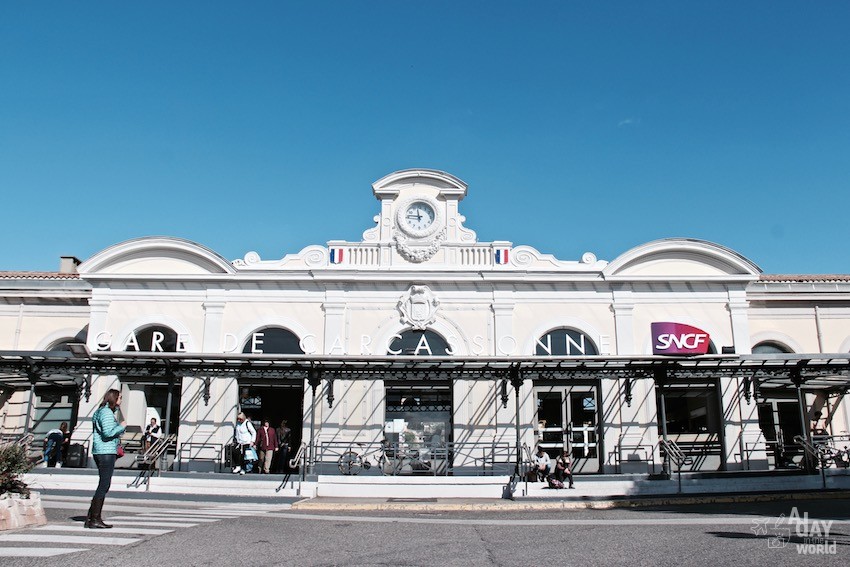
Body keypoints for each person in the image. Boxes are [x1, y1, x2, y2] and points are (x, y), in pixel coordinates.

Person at [86, 388, 126, 529]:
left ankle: (91, 517)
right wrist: (121, 427)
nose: (121, 400)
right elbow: (108, 433)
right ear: (113, 398)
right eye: (120, 397)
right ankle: (94, 519)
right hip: (106, 451)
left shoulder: (101, 411)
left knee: (103, 484)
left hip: (101, 451)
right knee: (104, 484)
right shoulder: (106, 413)